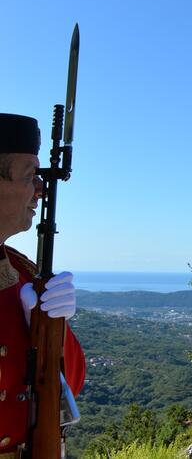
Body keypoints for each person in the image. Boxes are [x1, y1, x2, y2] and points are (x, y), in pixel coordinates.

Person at [0, 113, 85, 456]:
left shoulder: (21, 271)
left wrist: (54, 329)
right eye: (29, 176)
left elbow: (71, 382)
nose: (41, 189)